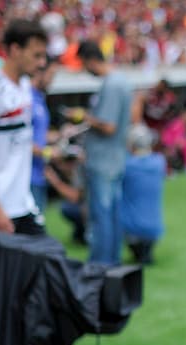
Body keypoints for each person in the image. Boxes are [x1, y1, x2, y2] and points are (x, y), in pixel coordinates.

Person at [0, 19, 47, 235]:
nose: (42, 63)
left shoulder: (25, 85)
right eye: (36, 55)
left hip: (22, 205)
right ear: (15, 49)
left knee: (44, 263)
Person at [71, 40, 132, 265]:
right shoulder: (120, 81)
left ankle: (100, 265)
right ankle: (110, 263)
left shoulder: (113, 84)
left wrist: (83, 116)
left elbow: (108, 126)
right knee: (111, 213)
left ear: (90, 60)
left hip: (104, 161)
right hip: (114, 159)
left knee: (101, 216)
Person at [121, 123, 165, 265]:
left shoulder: (127, 165)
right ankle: (145, 253)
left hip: (132, 228)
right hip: (154, 229)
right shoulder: (159, 162)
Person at [30, 57, 59, 214]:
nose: (52, 80)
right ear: (40, 73)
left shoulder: (40, 98)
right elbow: (20, 141)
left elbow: (39, 135)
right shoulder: (26, 98)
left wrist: (59, 135)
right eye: (51, 74)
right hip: (27, 178)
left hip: (39, 174)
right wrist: (48, 152)